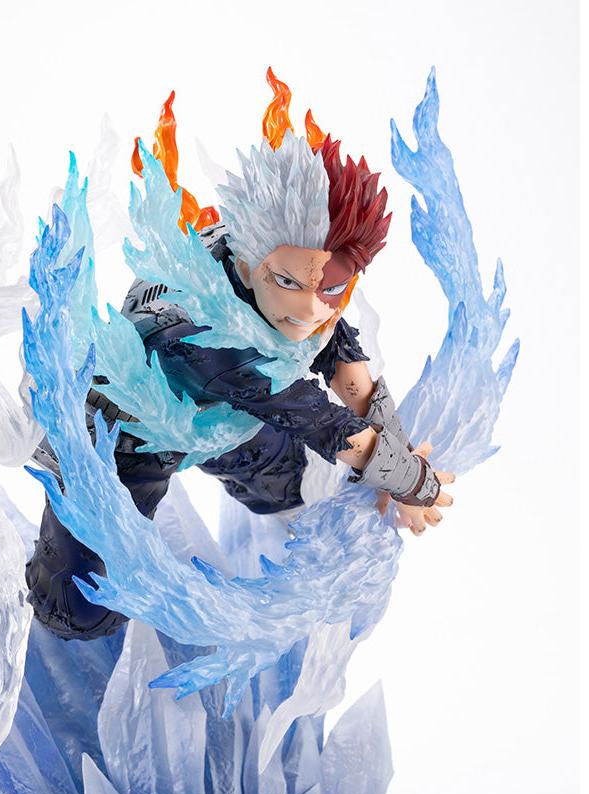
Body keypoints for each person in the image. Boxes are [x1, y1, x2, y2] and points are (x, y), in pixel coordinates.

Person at [26, 112, 454, 642]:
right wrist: (416, 482)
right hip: (124, 439)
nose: (310, 308)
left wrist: (396, 451)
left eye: (332, 287)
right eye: (288, 283)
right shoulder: (213, 334)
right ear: (250, 266)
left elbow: (337, 350)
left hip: (226, 419)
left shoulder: (277, 255)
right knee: (82, 608)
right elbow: (323, 423)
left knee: (294, 486)